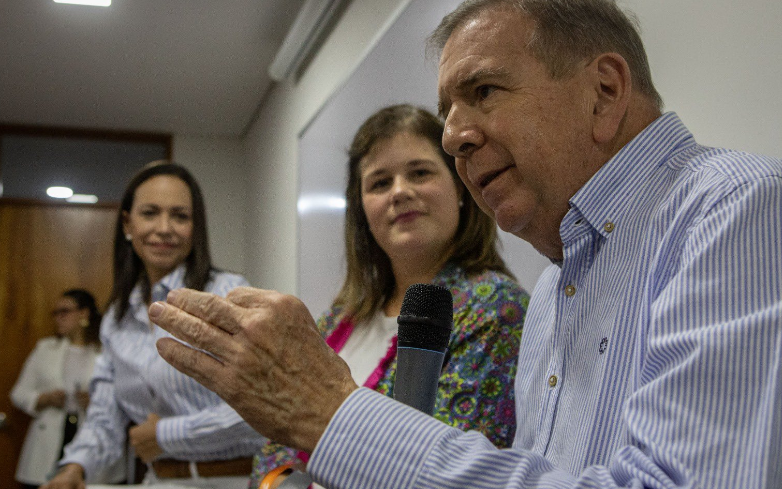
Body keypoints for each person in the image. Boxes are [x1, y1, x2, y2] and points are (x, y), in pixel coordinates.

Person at [150, 1, 782, 488]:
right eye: (447, 110)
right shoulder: (555, 295)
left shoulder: (733, 210)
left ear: (605, 92)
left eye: (483, 92)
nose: (454, 138)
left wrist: (333, 414)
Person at [248, 104, 529, 488]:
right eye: (380, 183)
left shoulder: (495, 307)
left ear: (460, 189)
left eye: (420, 173)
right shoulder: (336, 319)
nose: (400, 192)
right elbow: (276, 434)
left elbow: (445, 465)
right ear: (362, 211)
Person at [42, 162, 266, 489]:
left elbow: (262, 407)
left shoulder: (227, 294)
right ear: (127, 224)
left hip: (235, 481)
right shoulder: (118, 315)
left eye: (180, 216)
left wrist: (164, 435)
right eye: (149, 213)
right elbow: (106, 413)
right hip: (158, 481)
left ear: (196, 228)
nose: (164, 228)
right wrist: (76, 466)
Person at [11, 289, 124, 489]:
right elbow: (18, 393)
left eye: (64, 311)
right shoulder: (45, 348)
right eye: (55, 313)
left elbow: (125, 398)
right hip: (49, 438)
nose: (58, 318)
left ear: (84, 313)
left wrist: (96, 402)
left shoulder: (105, 351)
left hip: (88, 434)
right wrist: (43, 399)